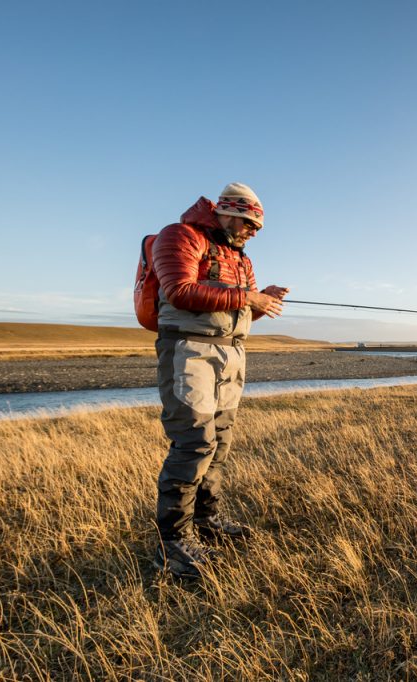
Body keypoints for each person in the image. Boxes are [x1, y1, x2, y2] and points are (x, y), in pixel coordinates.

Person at [150, 182, 289, 578]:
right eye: (249, 223)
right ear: (227, 212)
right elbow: (179, 291)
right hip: (188, 351)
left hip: (232, 353)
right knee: (194, 442)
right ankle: (171, 544)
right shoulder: (179, 236)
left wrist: (262, 300)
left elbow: (233, 312)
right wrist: (250, 298)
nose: (253, 232)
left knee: (220, 441)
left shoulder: (240, 257)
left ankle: (207, 522)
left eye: (258, 227)